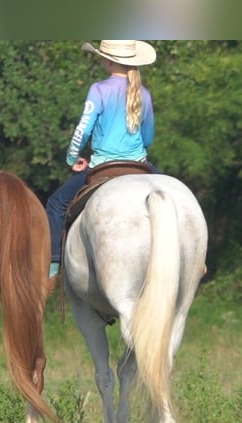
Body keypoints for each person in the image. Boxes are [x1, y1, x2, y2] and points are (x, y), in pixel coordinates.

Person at [45, 40, 158, 282]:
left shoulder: (98, 89)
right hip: (140, 164)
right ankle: (197, 260)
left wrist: (72, 157)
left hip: (103, 166)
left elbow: (82, 130)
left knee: (56, 205)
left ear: (107, 60)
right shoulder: (144, 94)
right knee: (174, 195)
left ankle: (53, 265)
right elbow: (148, 137)